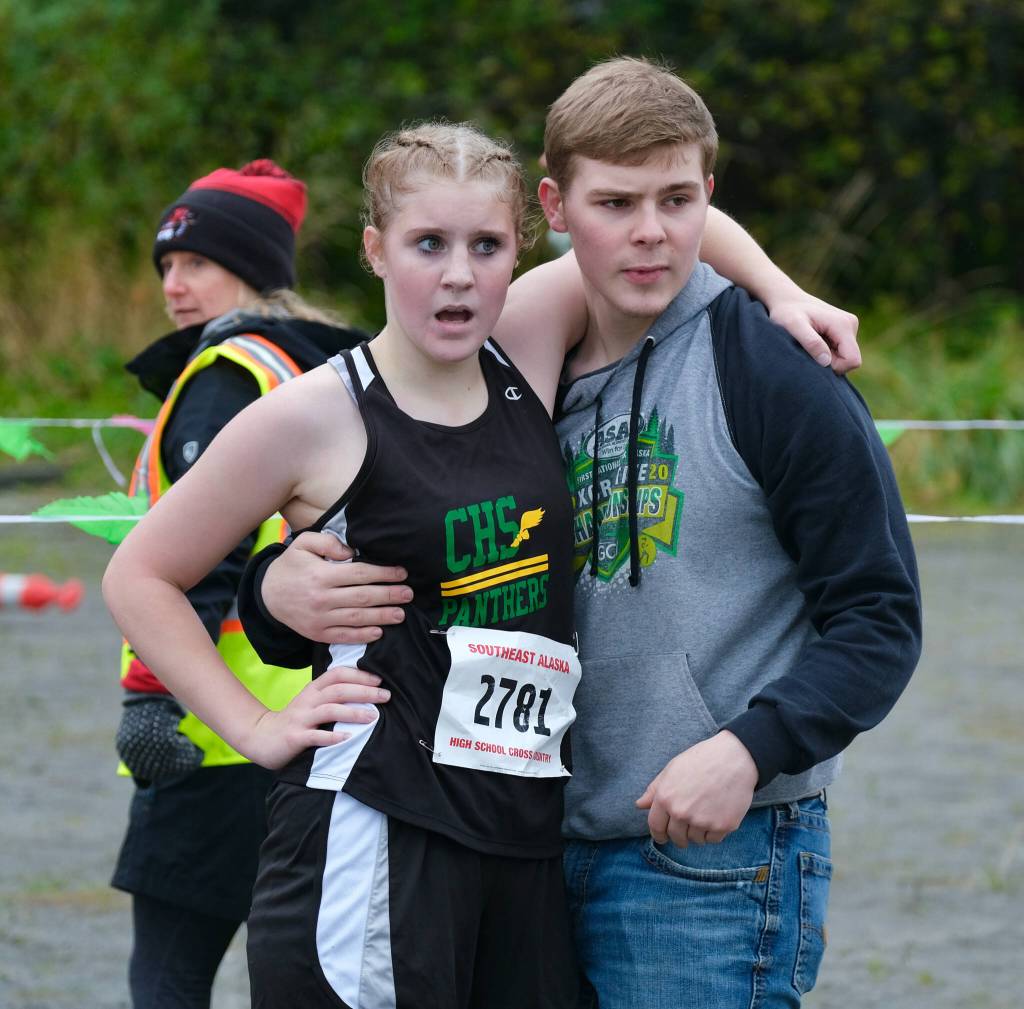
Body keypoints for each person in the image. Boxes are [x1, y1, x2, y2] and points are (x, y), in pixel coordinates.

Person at [240, 59, 923, 1009]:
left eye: (677, 202)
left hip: (706, 864)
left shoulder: (777, 371)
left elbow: (881, 617)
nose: (650, 231)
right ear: (559, 211)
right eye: (616, 205)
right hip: (527, 843)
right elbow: (404, 529)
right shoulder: (514, 346)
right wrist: (271, 590)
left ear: (706, 200)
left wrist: (750, 747)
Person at [106, 122, 592, 1008]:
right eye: (428, 244)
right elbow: (138, 576)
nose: (458, 274)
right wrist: (255, 727)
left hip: (521, 836)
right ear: (375, 250)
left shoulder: (525, 352)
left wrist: (789, 297)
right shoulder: (314, 413)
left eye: (486, 245)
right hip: (375, 832)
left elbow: (673, 205)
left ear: (522, 247)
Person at [109, 159, 371, 1009]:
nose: (175, 286)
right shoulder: (316, 366)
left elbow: (200, 556)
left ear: (252, 269)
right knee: (296, 972)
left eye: (196, 264)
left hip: (211, 726)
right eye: (165, 268)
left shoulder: (226, 374)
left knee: (168, 979)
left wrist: (149, 696)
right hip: (313, 719)